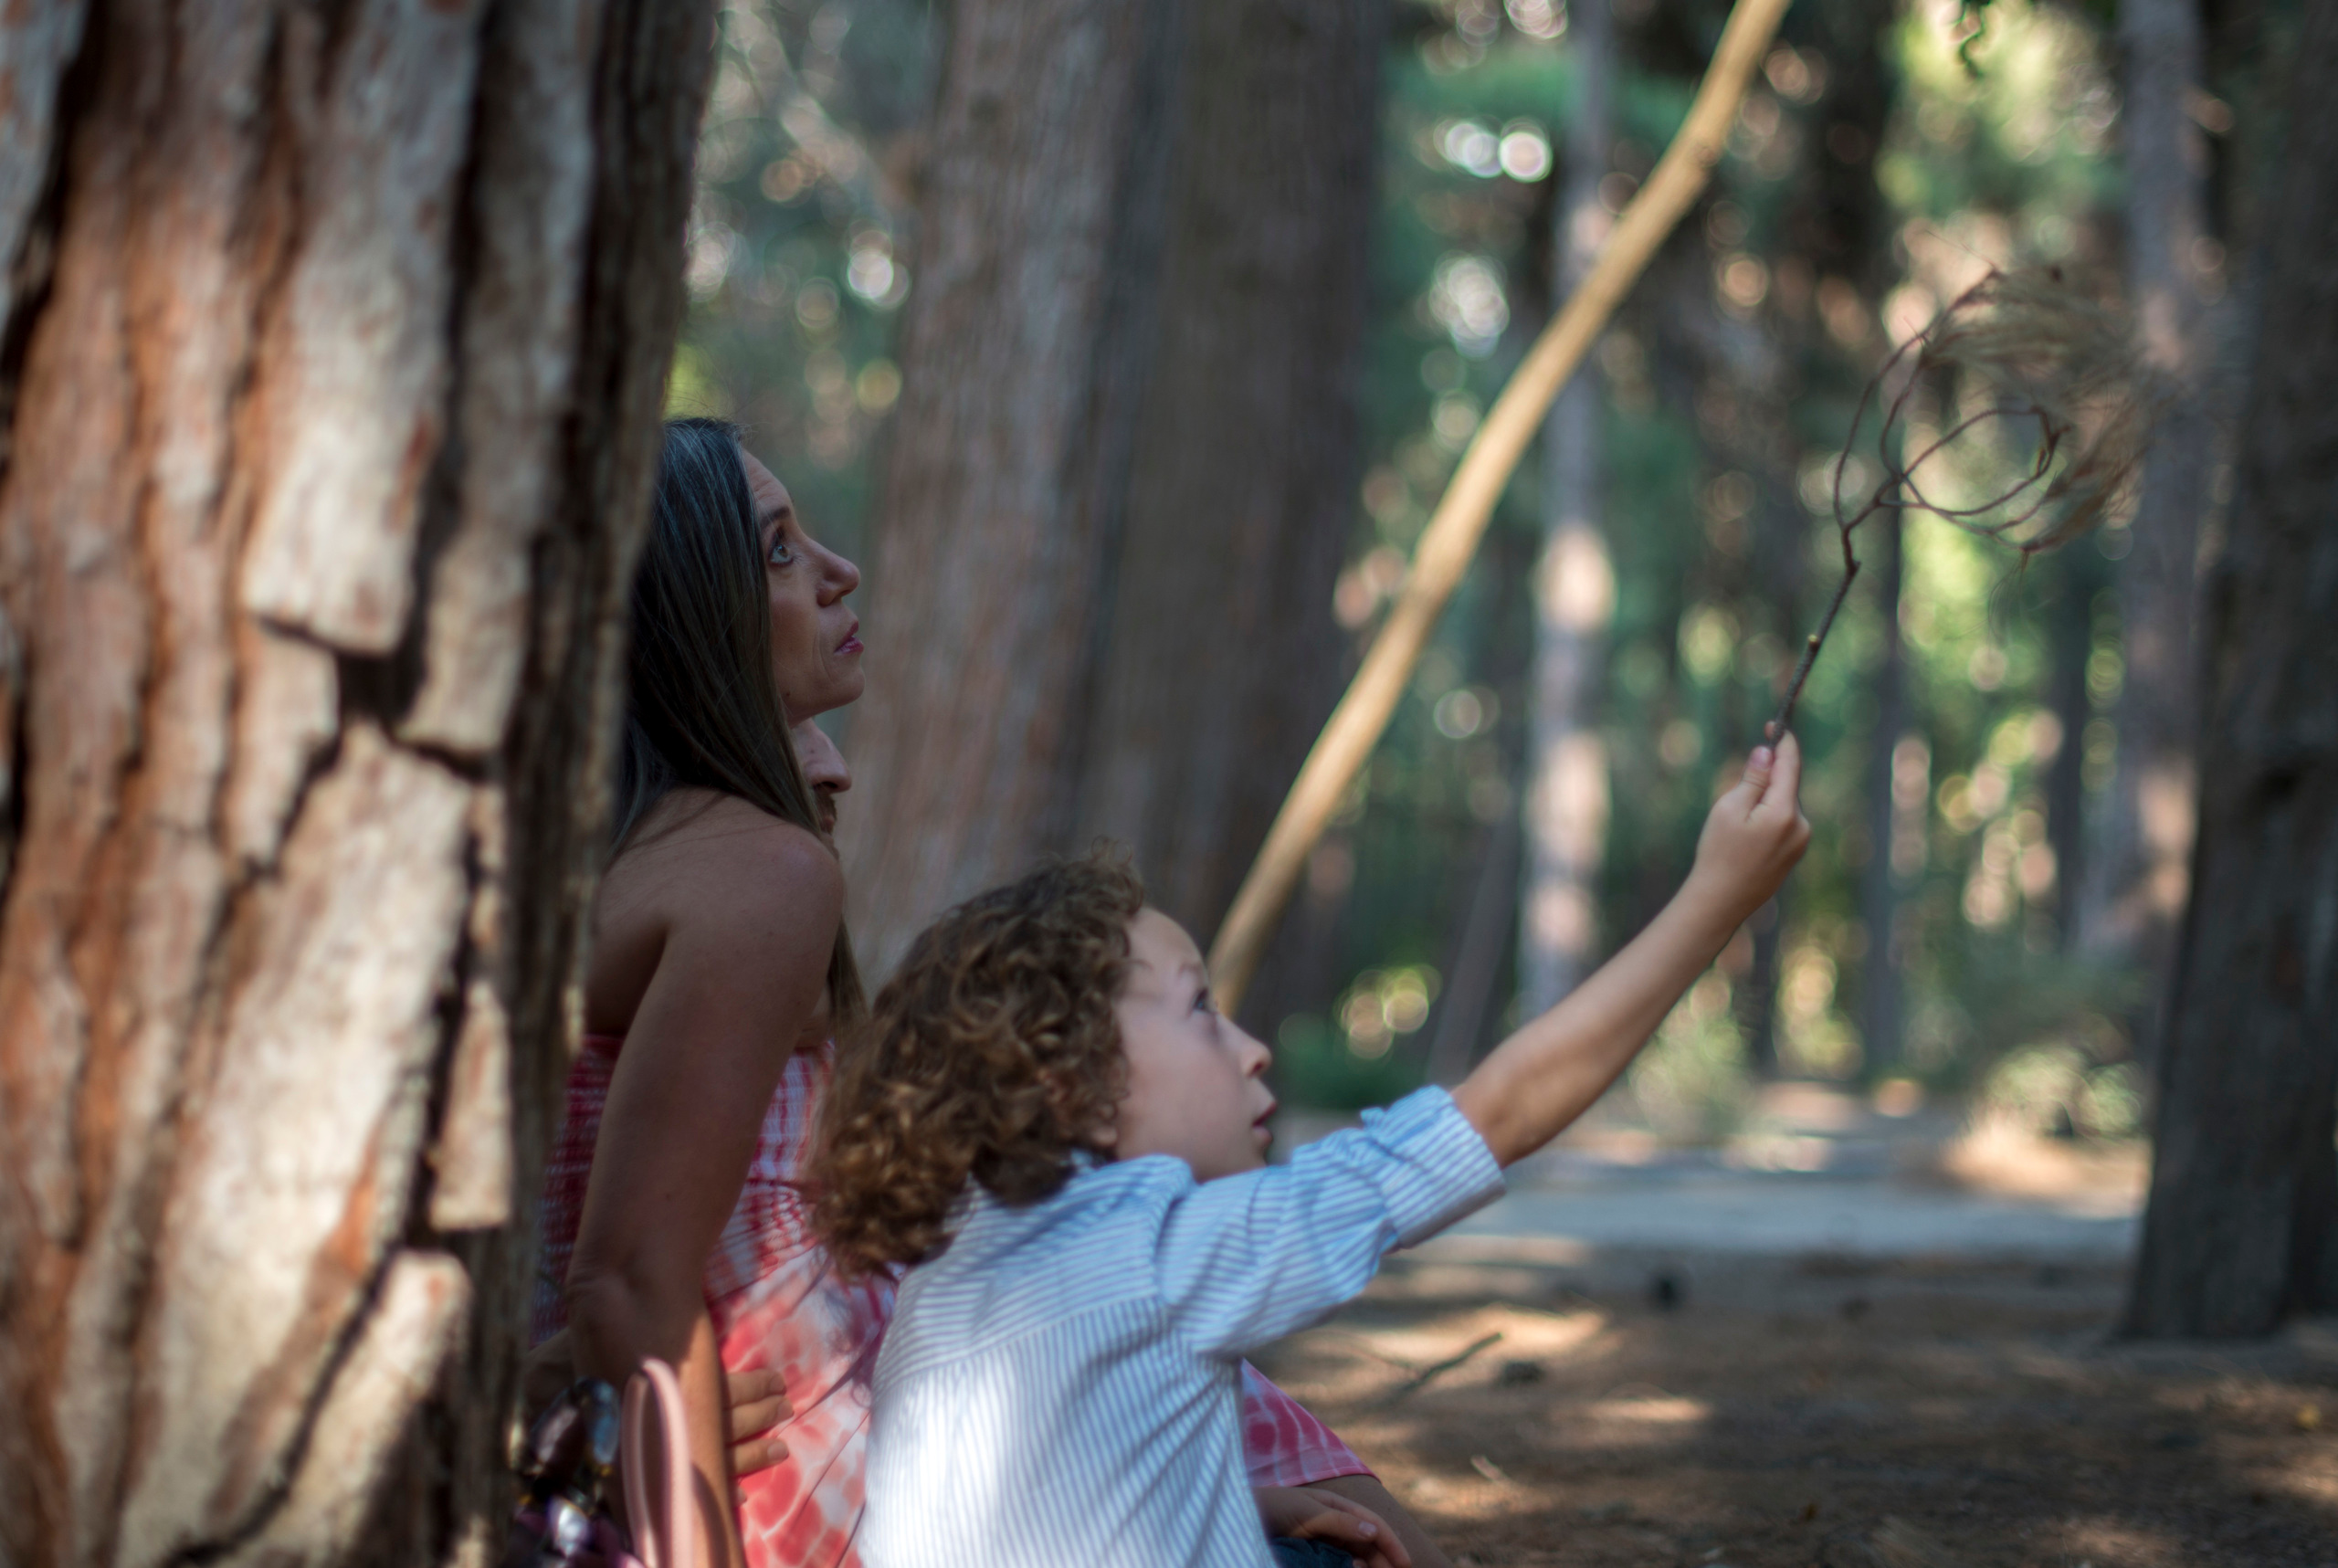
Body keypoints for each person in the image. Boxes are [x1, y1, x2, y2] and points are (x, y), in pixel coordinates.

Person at [533, 418, 1446, 1568]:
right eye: (776, 551)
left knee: (1331, 1502)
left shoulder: (623, 857)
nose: (837, 572)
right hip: (833, 1461)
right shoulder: (757, 875)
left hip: (891, 1399)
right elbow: (624, 1279)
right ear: (682, 617)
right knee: (1372, 1543)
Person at [811, 738, 1812, 1568]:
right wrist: (1714, 902)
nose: (1249, 1050)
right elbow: (1500, 1110)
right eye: (1201, 1010)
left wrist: (1252, 1504)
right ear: (1068, 1082)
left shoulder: (945, 1283)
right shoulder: (1158, 1250)